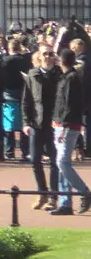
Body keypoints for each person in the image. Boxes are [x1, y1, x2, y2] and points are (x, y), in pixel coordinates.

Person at [49, 48, 89, 215]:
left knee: (62, 162)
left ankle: (84, 192)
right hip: (61, 123)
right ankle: (65, 202)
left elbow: (70, 105)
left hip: (67, 125)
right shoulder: (66, 77)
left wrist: (63, 124)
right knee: (62, 163)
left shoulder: (71, 78)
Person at [23, 48, 61, 210]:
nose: (47, 57)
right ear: (39, 56)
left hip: (53, 123)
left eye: (50, 54)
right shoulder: (32, 74)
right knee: (35, 160)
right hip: (36, 123)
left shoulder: (60, 74)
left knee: (54, 161)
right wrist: (26, 122)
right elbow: (26, 100)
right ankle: (42, 193)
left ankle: (53, 196)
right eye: (44, 54)